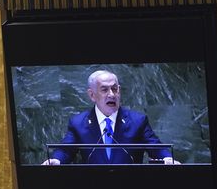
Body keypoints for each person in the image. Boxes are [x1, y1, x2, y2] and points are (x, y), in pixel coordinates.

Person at [42, 70, 179, 166]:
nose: (112, 94)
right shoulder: (78, 123)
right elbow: (66, 149)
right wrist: (56, 160)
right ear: (92, 95)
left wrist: (167, 158)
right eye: (104, 90)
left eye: (115, 89)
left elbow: (155, 146)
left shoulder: (138, 121)